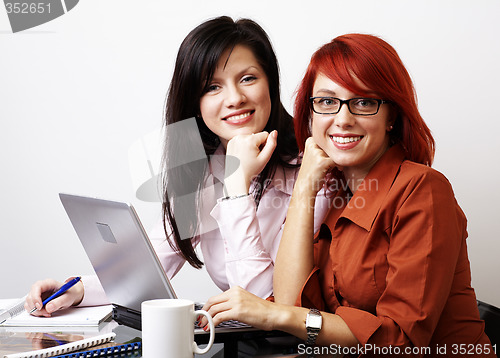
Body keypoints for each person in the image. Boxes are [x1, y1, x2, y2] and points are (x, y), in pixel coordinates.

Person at [200, 34, 495, 357]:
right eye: (327, 102)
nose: (342, 119)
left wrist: (274, 315)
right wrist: (304, 187)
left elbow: (401, 343)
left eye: (364, 102)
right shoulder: (336, 196)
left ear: (392, 116)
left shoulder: (423, 190)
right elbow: (292, 303)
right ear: (309, 114)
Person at [24, 16, 331, 315]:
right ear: (194, 103)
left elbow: (267, 305)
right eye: (212, 87)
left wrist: (237, 189)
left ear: (270, 83)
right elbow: (154, 263)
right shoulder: (205, 169)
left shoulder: (313, 167)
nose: (235, 98)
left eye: (248, 78)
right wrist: (76, 290)